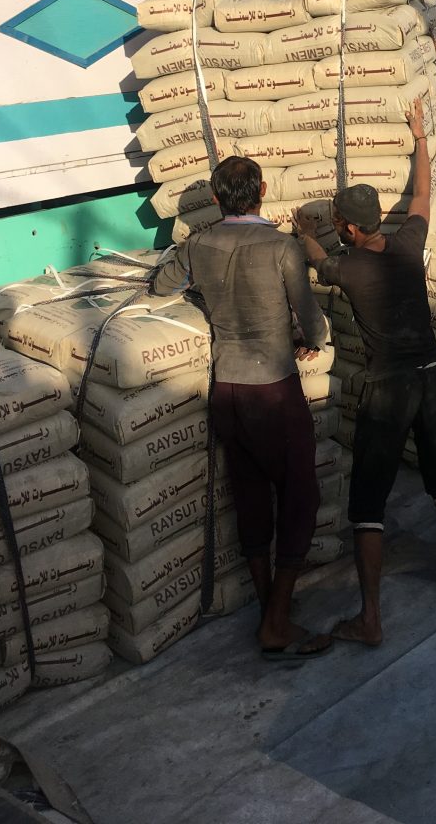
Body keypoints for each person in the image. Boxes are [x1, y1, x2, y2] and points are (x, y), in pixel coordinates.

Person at [294, 96, 436, 647]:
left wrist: (302, 229)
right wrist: (419, 136)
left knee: (368, 505)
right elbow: (422, 194)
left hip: (389, 388)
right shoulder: (409, 245)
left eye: (339, 224)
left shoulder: (348, 270)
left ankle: (370, 619)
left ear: (348, 228)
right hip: (431, 374)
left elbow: (315, 259)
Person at [150, 154, 332, 662]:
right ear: (264, 191)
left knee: (250, 498)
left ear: (214, 199)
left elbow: (162, 287)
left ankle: (269, 608)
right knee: (300, 497)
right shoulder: (282, 246)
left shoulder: (198, 244)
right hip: (273, 388)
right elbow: (311, 320)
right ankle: (276, 621)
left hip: (227, 390)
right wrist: (312, 339)